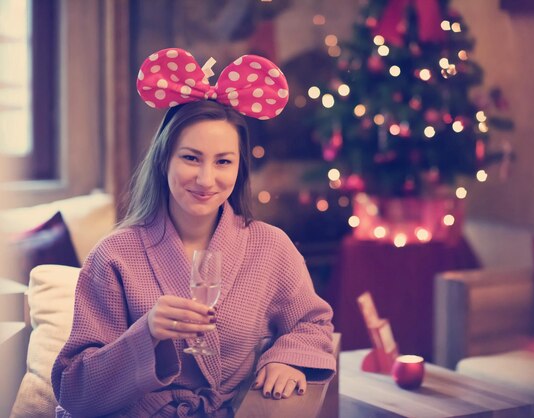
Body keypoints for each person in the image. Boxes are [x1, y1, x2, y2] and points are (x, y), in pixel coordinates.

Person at [51, 49, 336, 417]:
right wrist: (147, 333)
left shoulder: (270, 247)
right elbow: (75, 389)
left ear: (239, 168)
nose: (206, 179)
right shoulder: (113, 256)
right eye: (190, 158)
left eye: (223, 162)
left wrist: (285, 359)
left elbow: (312, 323)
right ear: (164, 158)